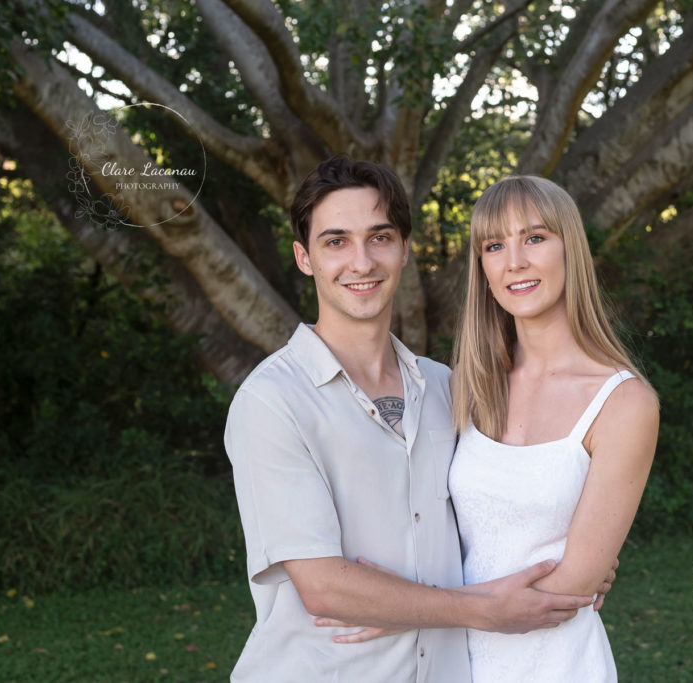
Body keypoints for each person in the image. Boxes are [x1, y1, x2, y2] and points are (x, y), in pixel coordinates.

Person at [223, 158, 599, 682]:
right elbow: (324, 586)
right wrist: (472, 608)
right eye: (336, 242)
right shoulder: (272, 401)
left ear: (404, 249)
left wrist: (581, 561)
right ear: (304, 258)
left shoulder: (449, 387)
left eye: (379, 237)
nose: (361, 262)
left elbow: (501, 510)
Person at [448, 175, 659, 682]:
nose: (514, 260)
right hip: (450, 665)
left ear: (571, 250)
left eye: (535, 237)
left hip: (555, 665)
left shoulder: (623, 403)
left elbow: (575, 583)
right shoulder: (465, 388)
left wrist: (408, 611)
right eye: (495, 245)